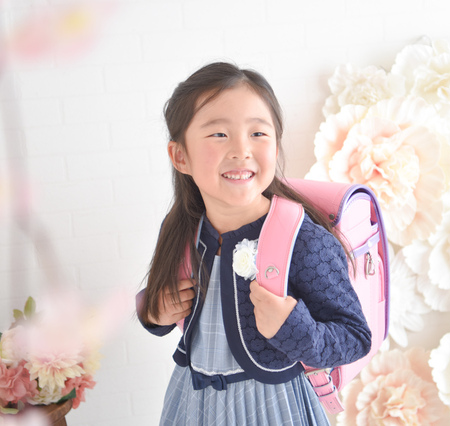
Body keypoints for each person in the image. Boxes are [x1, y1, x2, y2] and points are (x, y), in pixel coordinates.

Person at [136, 62, 372, 425]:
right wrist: (154, 313)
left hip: (275, 408)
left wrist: (294, 327)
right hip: (192, 404)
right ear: (180, 156)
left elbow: (355, 338)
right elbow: (162, 303)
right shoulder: (181, 229)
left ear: (276, 146)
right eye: (219, 134)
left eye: (258, 133)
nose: (241, 150)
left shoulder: (304, 240)